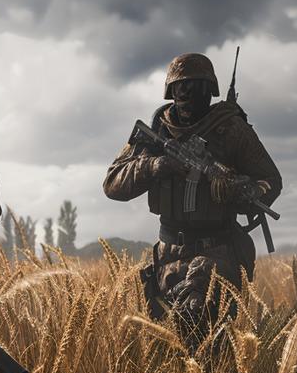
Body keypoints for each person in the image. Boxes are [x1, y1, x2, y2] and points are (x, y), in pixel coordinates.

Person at [103, 52, 281, 341]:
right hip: (167, 255)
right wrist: (157, 164)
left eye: (195, 87)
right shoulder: (156, 131)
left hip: (216, 252)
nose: (186, 93)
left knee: (206, 341)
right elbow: (113, 184)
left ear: (209, 90)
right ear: (170, 91)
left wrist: (244, 189)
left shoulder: (231, 129)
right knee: (165, 345)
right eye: (180, 87)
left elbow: (270, 181)